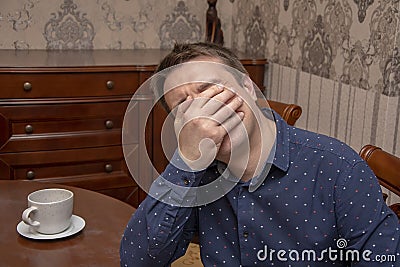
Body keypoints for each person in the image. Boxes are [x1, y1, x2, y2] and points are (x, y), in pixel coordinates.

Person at [120, 42, 399, 266]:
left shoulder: (338, 167)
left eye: (208, 89)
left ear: (248, 87)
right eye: (183, 106)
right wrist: (187, 160)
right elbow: (137, 260)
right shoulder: (194, 179)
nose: (202, 110)